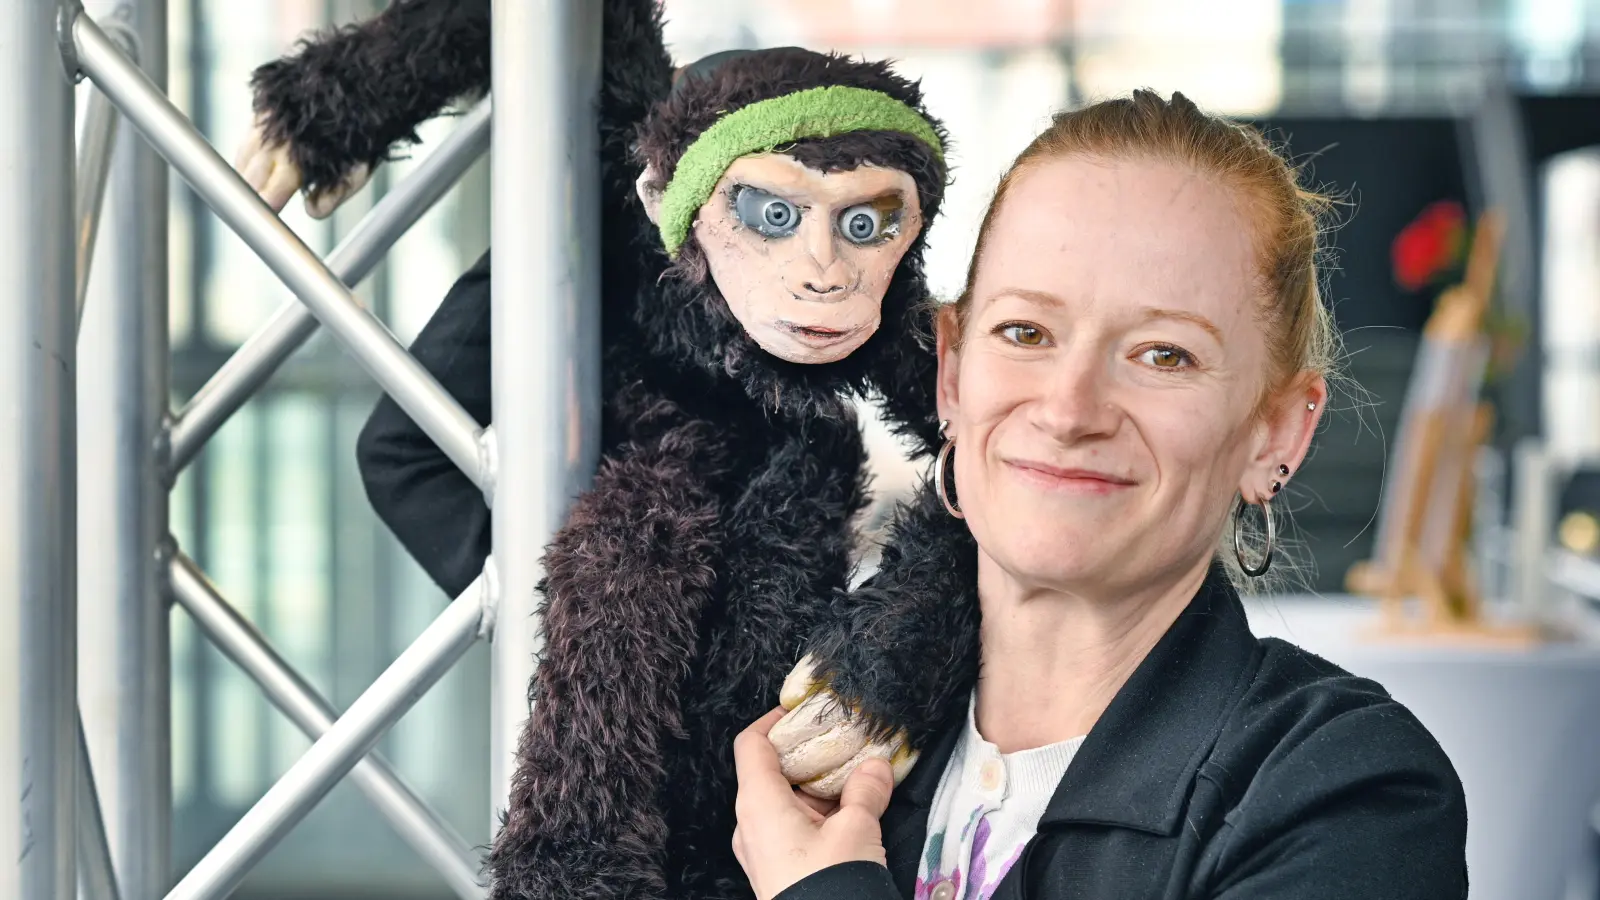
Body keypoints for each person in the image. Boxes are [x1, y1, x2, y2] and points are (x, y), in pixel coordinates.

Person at [729, 90, 1470, 900]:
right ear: (951, 371)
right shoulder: (803, 729)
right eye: (1026, 334)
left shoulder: (1350, 797)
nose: (1069, 410)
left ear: (1277, 433)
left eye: (1164, 355)